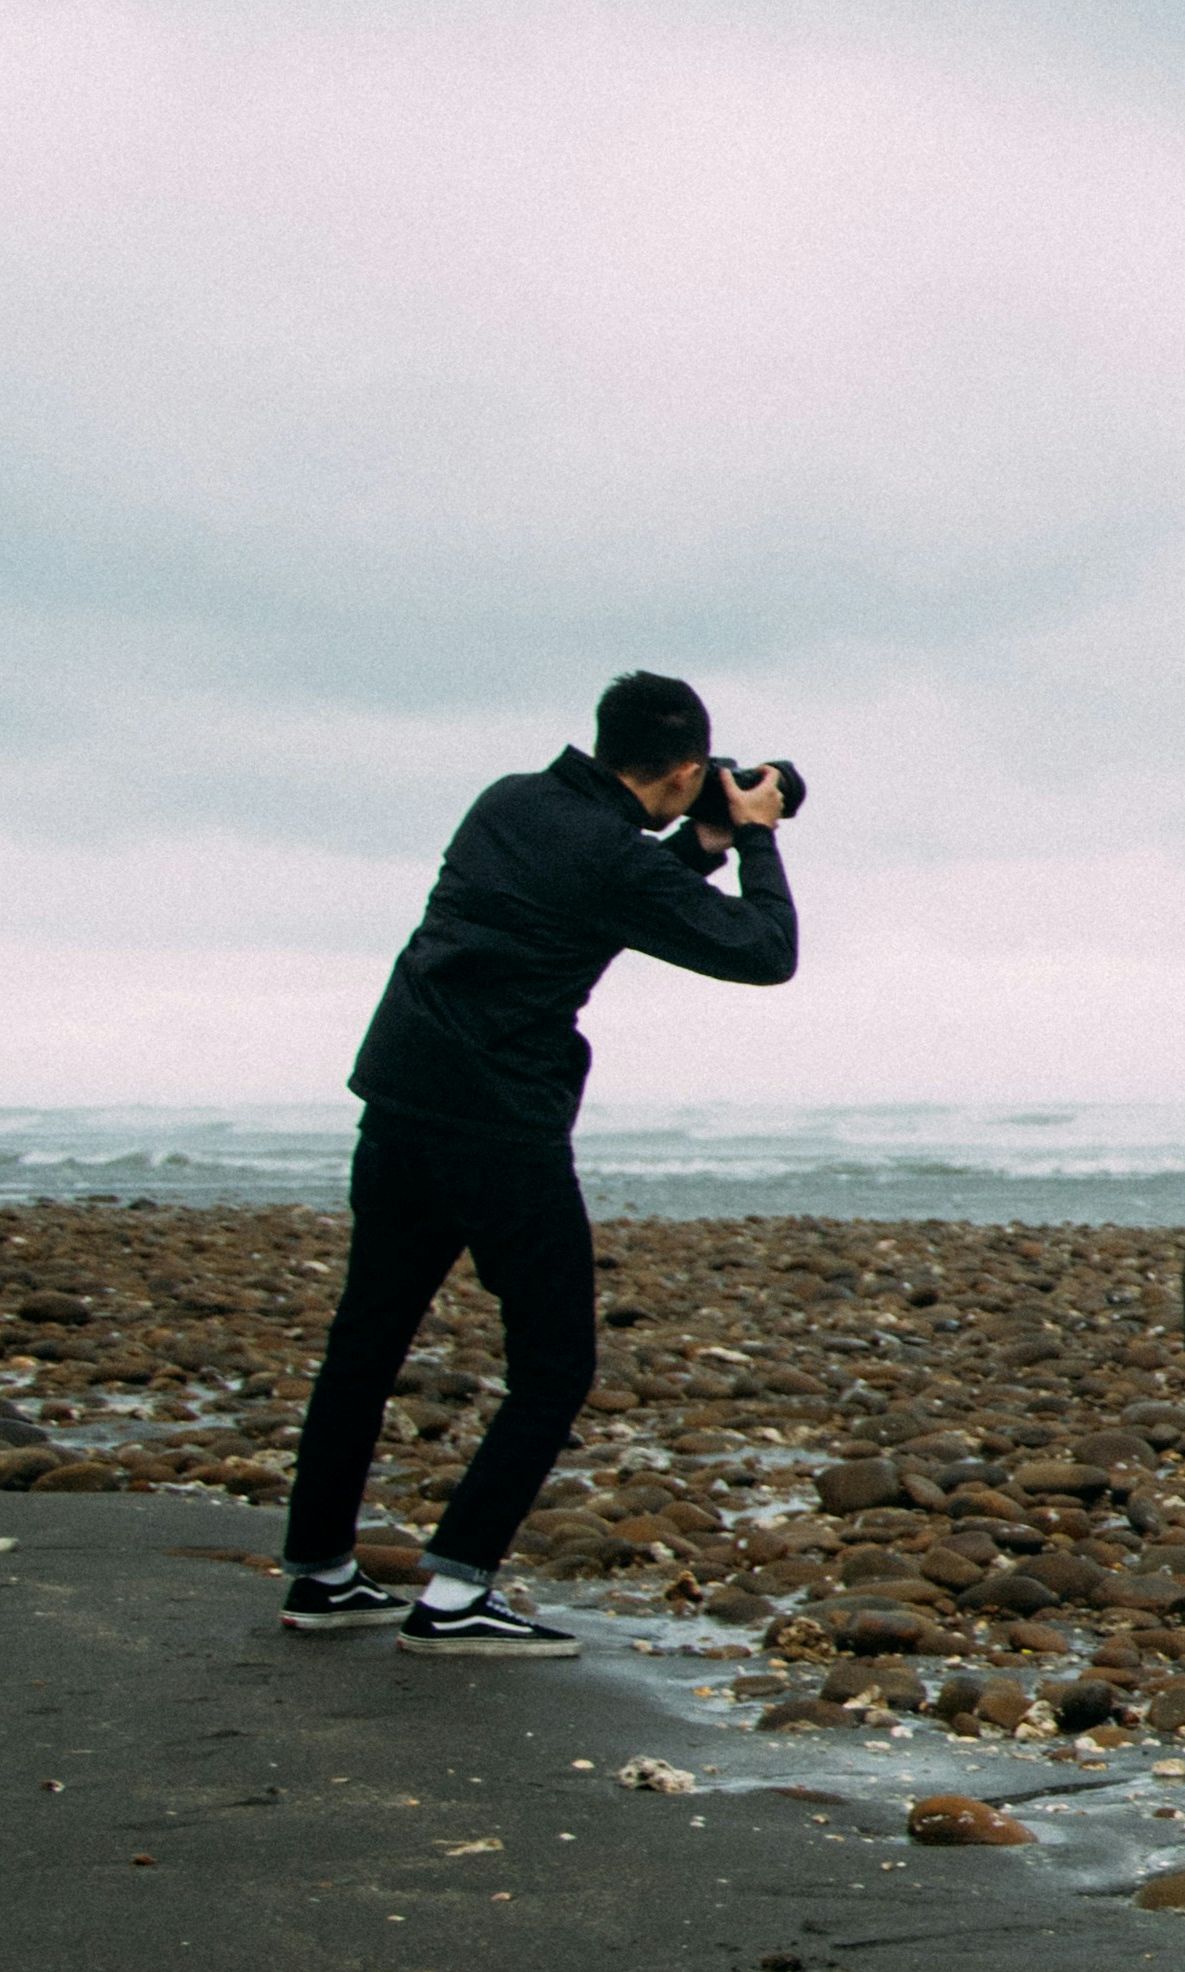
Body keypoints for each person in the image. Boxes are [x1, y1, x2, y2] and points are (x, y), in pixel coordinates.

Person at [277, 671, 801, 1653]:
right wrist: (760, 838)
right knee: (555, 1366)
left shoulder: (510, 801)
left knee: (367, 1341)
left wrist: (701, 843)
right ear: (688, 768)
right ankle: (454, 1593)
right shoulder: (610, 857)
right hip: (498, 1129)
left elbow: (589, 893)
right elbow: (764, 951)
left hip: (399, 1098)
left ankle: (319, 1573)